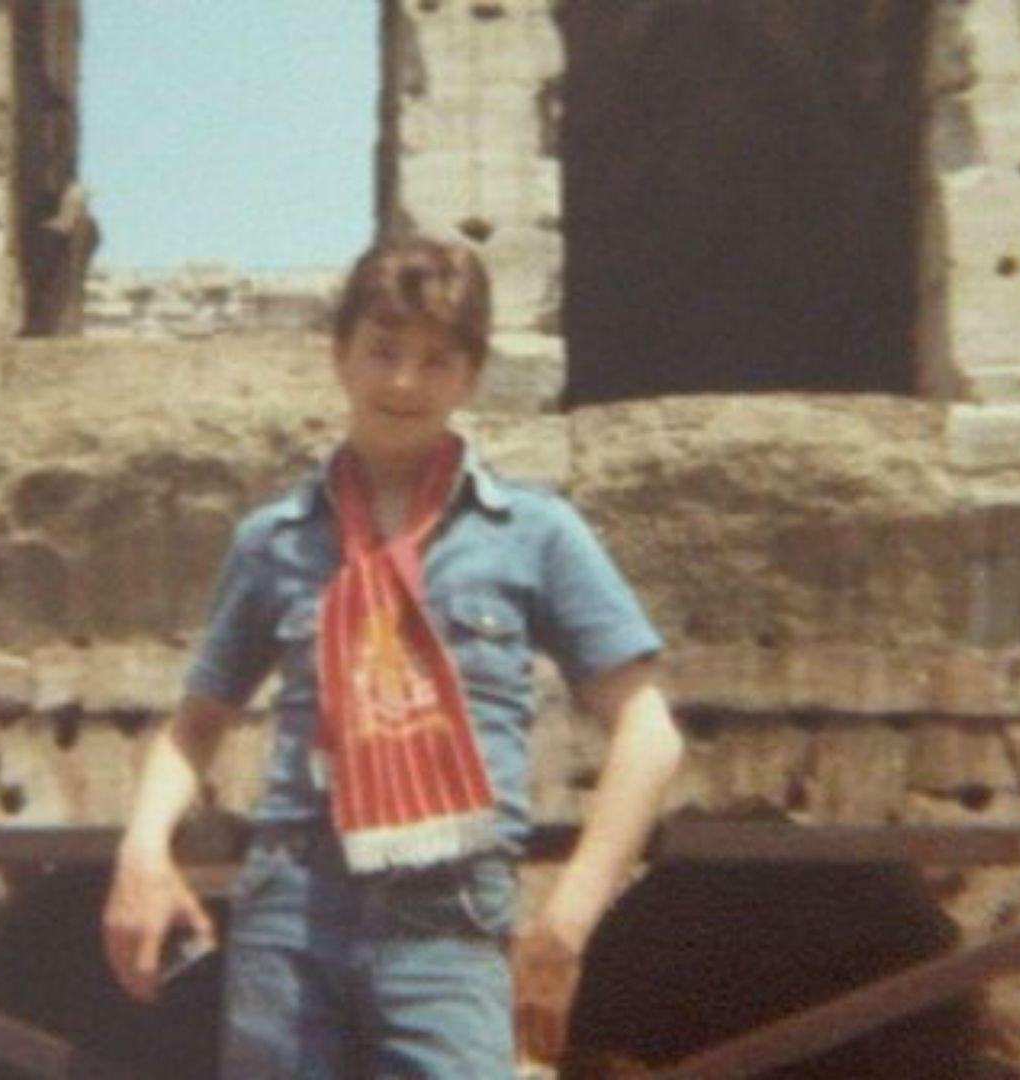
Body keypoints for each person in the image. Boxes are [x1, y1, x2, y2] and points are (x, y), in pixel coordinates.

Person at [102, 235, 684, 1077]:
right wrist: (143, 854)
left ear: (470, 376)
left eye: (434, 359)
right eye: (382, 351)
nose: (404, 383)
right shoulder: (274, 541)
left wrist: (568, 919)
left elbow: (648, 730)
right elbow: (195, 726)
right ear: (340, 356)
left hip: (450, 925)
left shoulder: (535, 533)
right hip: (293, 912)